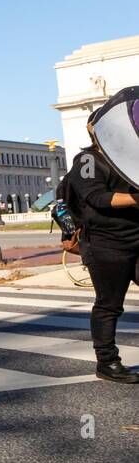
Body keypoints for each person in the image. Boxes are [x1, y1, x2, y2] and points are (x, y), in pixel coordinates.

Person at [63, 146, 139, 383]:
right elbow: (97, 198)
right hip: (105, 243)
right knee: (110, 304)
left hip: (137, 237)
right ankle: (107, 362)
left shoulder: (130, 155)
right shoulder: (88, 159)